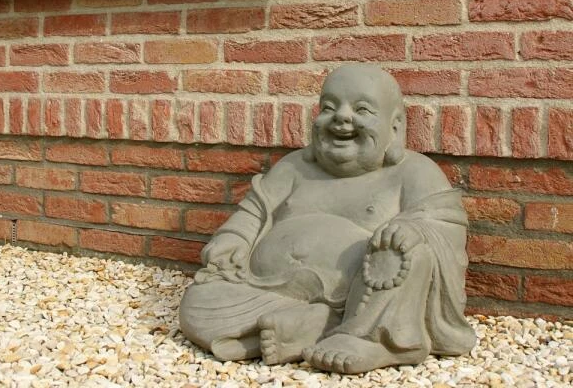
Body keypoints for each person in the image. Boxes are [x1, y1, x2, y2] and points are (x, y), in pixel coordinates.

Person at [179, 64, 475, 373]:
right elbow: (253, 212)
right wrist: (233, 241)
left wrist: (411, 232)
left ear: (395, 127)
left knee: (409, 254)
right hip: (265, 289)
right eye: (329, 107)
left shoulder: (414, 173)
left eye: (362, 109)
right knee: (197, 304)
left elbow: (444, 226)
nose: (342, 117)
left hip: (365, 297)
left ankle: (365, 336)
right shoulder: (293, 167)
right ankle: (315, 325)